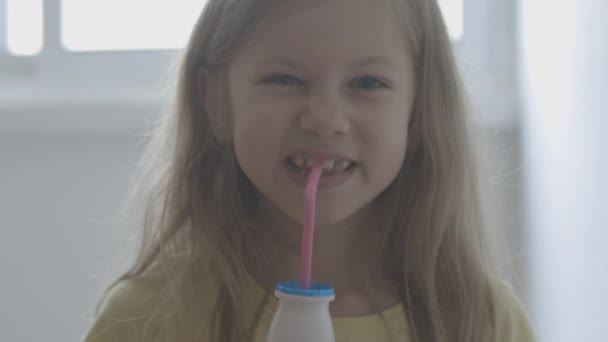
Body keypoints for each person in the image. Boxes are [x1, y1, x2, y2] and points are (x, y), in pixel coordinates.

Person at [84, 0, 536, 341]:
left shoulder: (483, 322)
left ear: (419, 113)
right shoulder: (149, 319)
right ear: (217, 102)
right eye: (285, 79)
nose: (324, 119)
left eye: (367, 83)